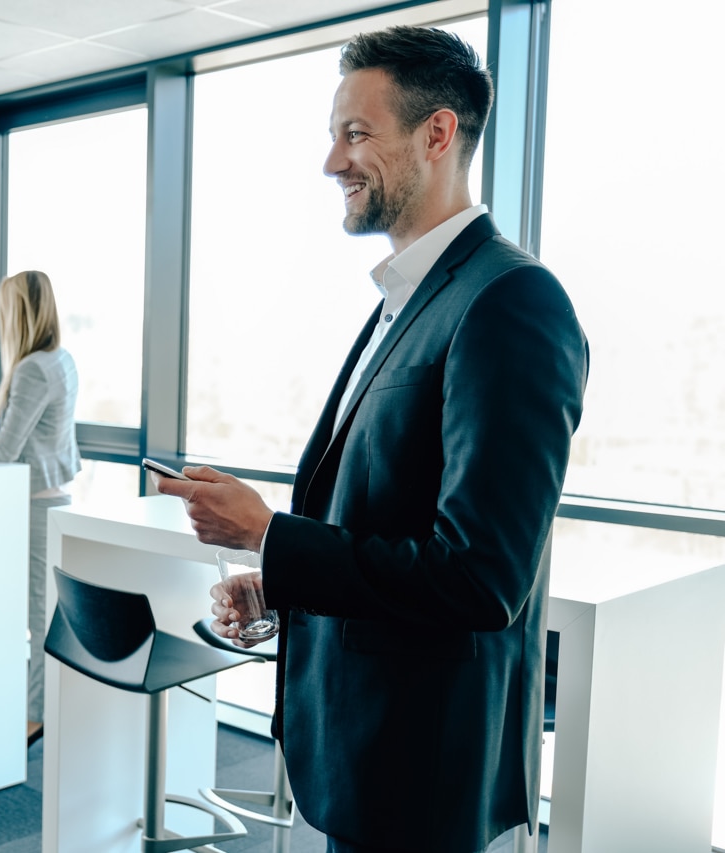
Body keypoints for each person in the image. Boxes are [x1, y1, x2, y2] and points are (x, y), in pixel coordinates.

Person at [155, 26, 588, 853]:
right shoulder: (410, 296)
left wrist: (269, 532)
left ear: (438, 134)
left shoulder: (511, 303)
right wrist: (280, 578)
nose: (332, 162)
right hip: (366, 754)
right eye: (333, 135)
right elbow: (387, 519)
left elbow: (480, 577)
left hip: (419, 774)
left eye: (356, 134)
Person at [0, 270, 81, 744]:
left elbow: (6, 454)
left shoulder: (31, 368)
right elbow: (28, 440)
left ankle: (37, 714)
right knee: (39, 612)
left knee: (39, 616)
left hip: (36, 508)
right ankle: (34, 706)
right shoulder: (60, 360)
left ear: (16, 313)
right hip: (51, 498)